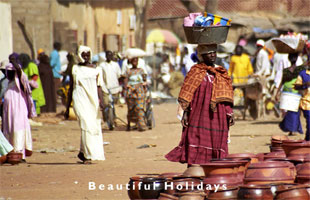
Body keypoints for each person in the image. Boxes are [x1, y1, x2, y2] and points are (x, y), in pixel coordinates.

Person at [165, 44, 234, 165]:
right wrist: (185, 112)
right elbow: (188, 93)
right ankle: (194, 170)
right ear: (202, 55)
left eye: (214, 52)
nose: (212, 55)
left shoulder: (221, 72)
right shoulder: (195, 71)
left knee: (216, 141)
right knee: (195, 138)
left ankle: (214, 171)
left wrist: (230, 113)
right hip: (198, 114)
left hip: (217, 116)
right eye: (209, 52)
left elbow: (227, 95)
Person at [64, 45, 105, 164]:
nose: (86, 57)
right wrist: (67, 107)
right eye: (83, 55)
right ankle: (87, 155)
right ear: (79, 56)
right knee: (85, 125)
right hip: (79, 100)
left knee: (92, 126)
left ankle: (82, 152)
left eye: (88, 54)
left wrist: (101, 102)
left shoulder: (97, 69)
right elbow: (71, 88)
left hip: (92, 102)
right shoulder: (75, 69)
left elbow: (99, 87)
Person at [3, 55, 36, 161]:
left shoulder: (21, 80)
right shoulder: (9, 82)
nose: (7, 73)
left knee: (18, 129)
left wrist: (14, 63)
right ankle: (10, 153)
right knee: (9, 129)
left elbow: (20, 72)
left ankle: (19, 153)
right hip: (9, 111)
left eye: (10, 71)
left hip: (18, 110)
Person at [276, 53, 305, 135]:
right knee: (295, 112)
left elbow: (282, 82)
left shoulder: (285, 70)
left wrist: (277, 93)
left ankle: (292, 129)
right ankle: (293, 129)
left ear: (289, 59)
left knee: (289, 112)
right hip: (296, 92)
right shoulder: (300, 69)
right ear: (296, 59)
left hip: (287, 92)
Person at [124, 57, 147, 132]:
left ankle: (141, 125)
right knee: (131, 109)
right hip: (131, 92)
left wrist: (144, 85)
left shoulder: (141, 71)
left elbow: (145, 80)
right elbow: (125, 81)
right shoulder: (128, 71)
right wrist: (127, 86)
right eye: (133, 61)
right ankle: (129, 124)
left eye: (136, 61)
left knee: (139, 108)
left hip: (139, 91)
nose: (135, 62)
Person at [294, 67, 310, 141]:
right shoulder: (303, 74)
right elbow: (296, 86)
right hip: (306, 102)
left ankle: (307, 139)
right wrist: (305, 84)